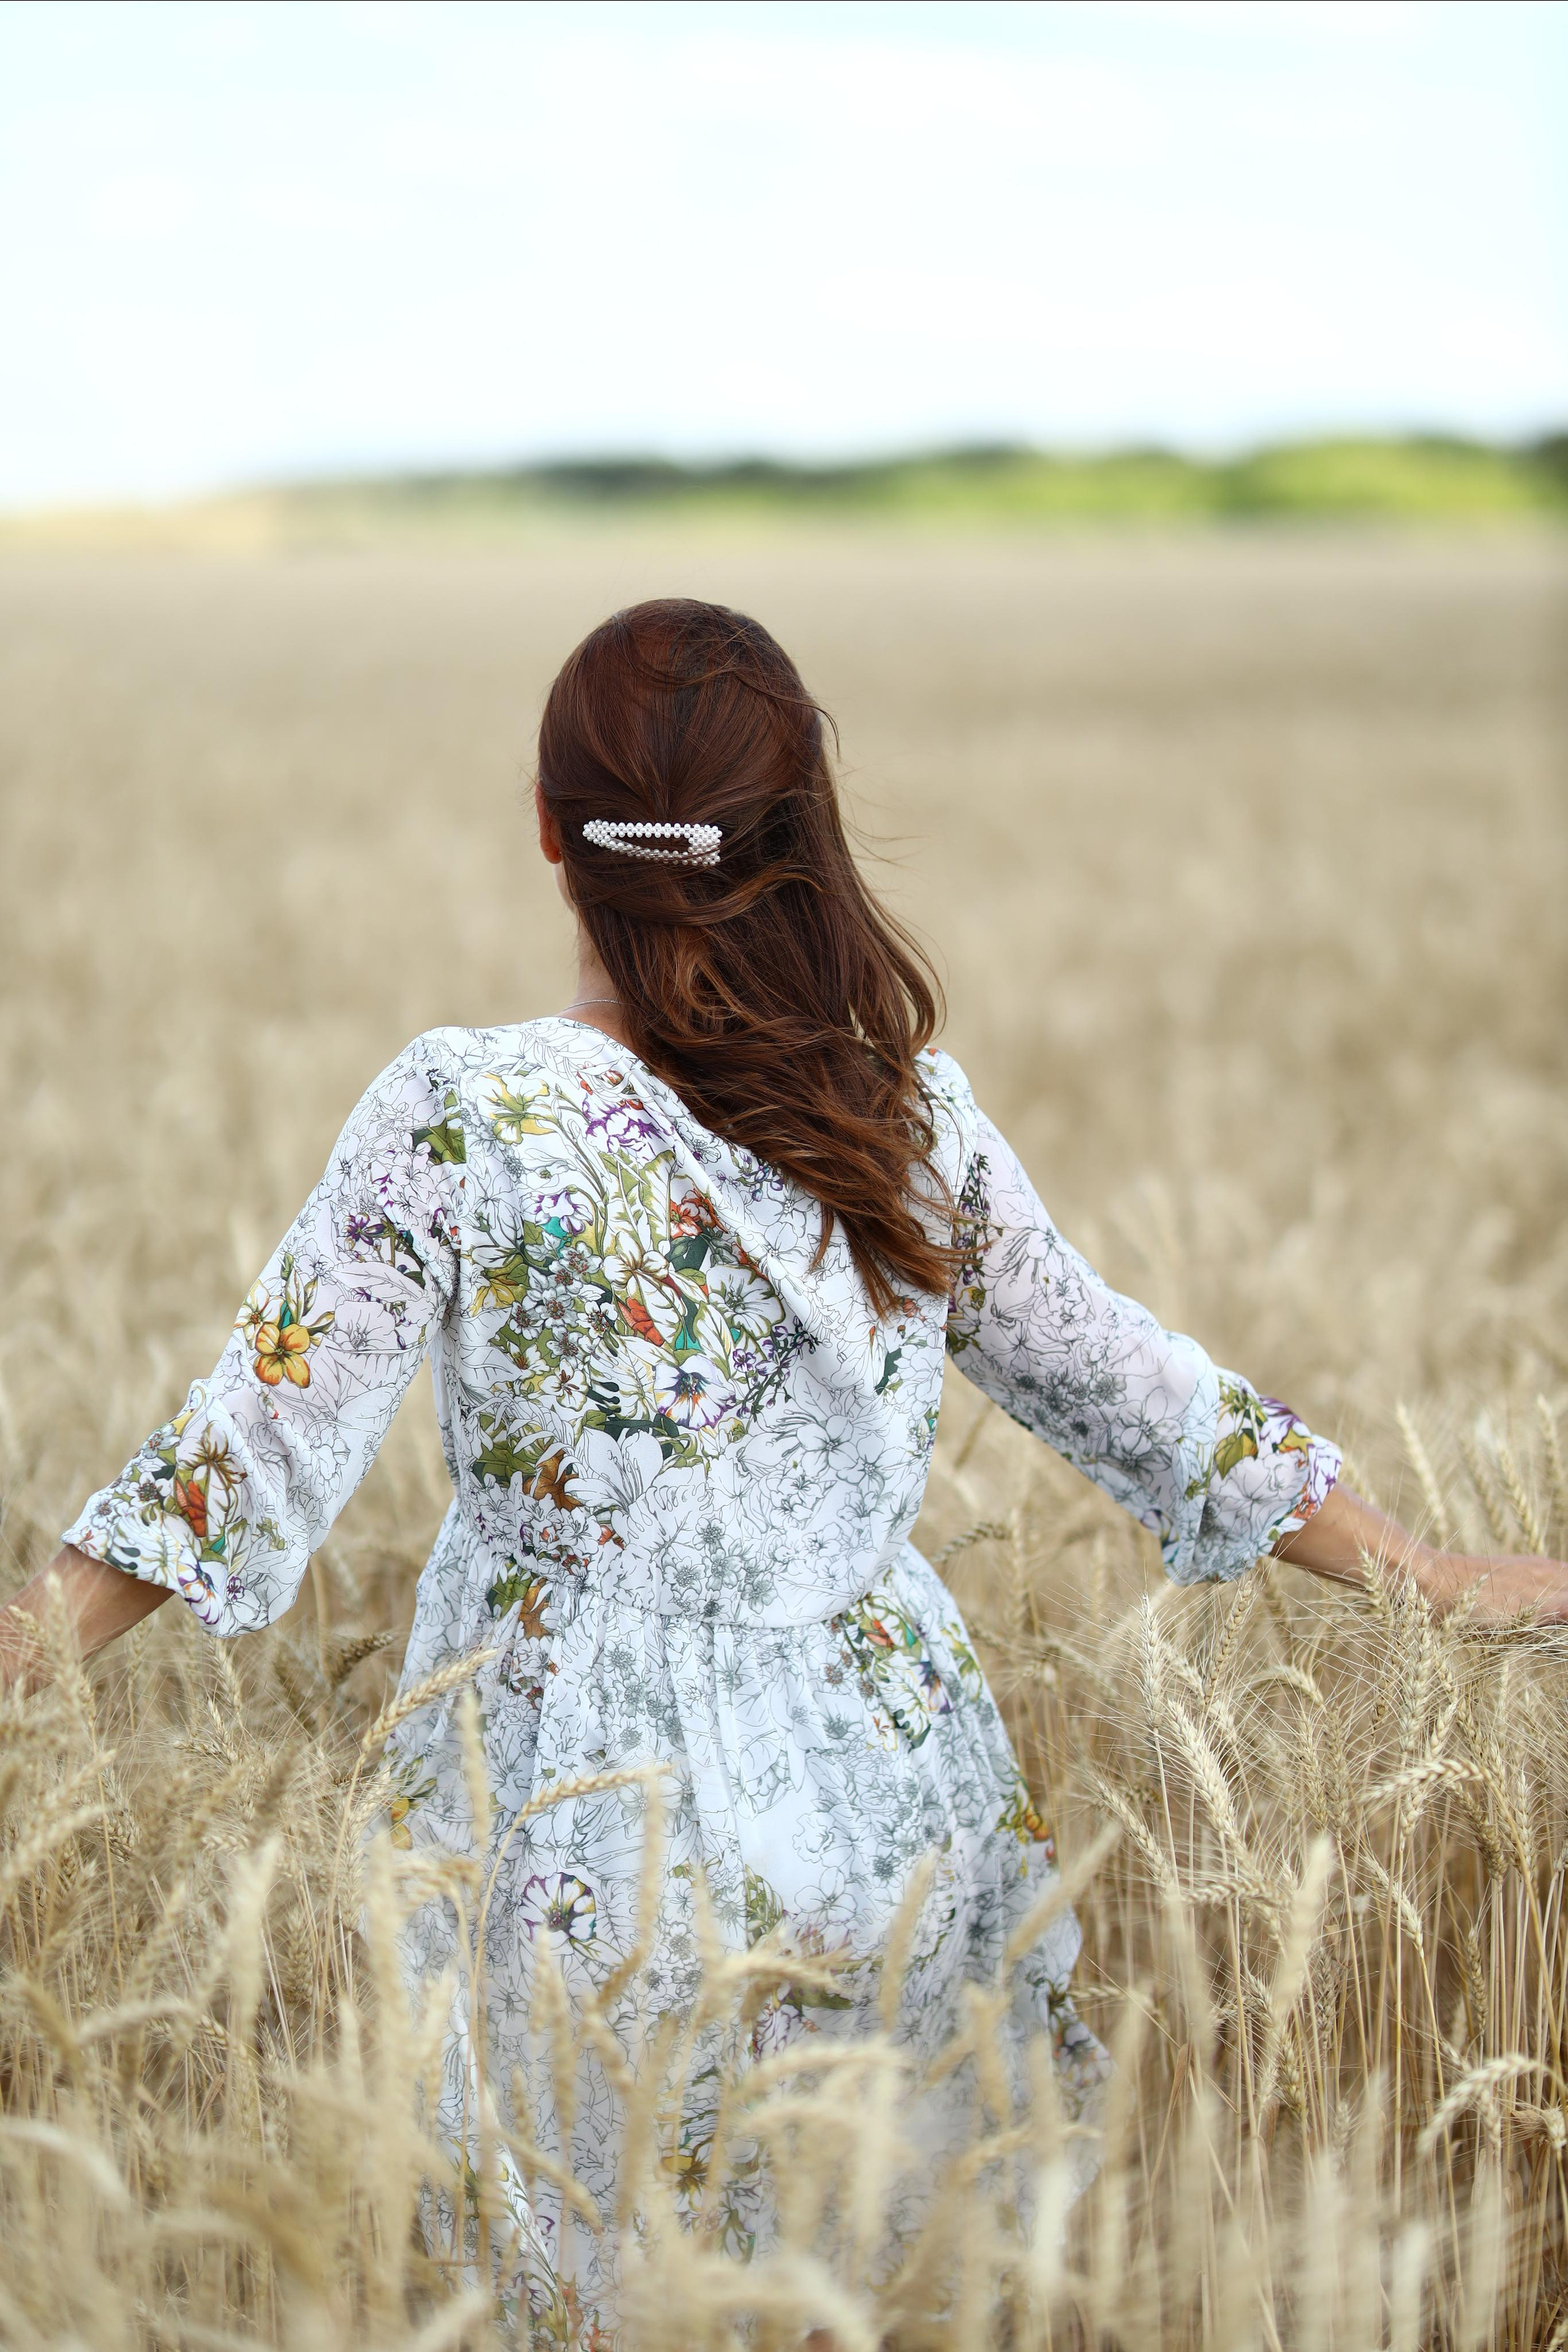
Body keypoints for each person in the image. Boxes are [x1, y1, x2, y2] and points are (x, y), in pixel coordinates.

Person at [6, 600, 1566, 2342]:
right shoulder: (895, 1115)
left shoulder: (465, 1111)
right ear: (798, 828)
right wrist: (1425, 1568)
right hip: (888, 1793)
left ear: (548, 830)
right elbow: (1134, 1385)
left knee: (569, 2277)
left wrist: (28, 1656)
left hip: (569, 1808)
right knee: (890, 2274)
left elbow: (249, 1441)